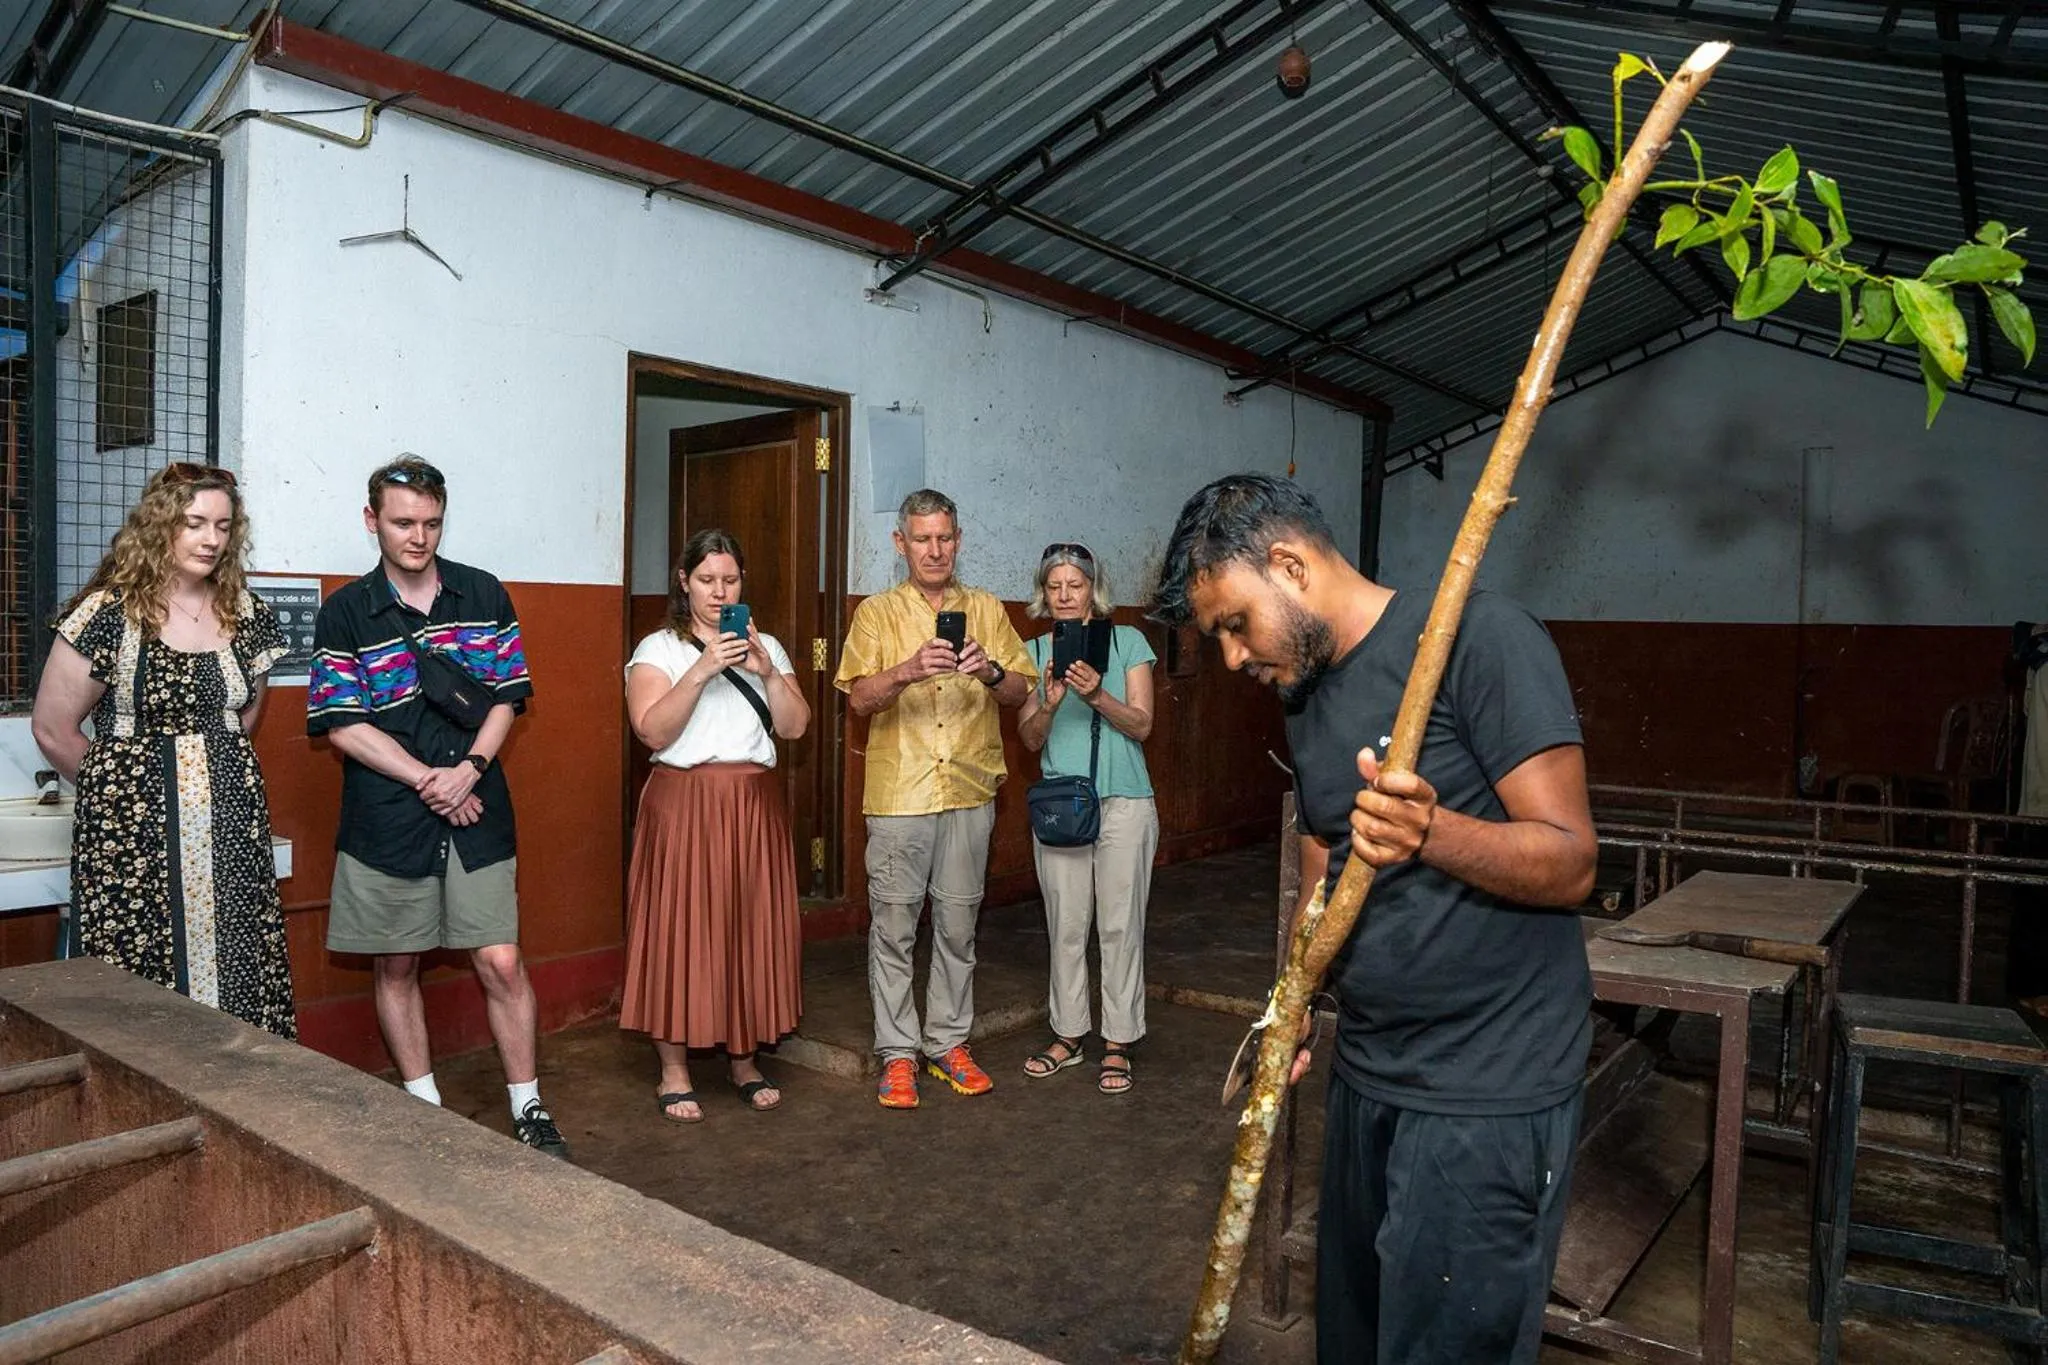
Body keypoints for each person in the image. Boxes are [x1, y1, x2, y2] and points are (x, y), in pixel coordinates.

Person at [1152, 473, 1596, 1365]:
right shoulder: (1305, 689)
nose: (1232, 658)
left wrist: (1431, 831)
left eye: (1235, 623)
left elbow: (1571, 860)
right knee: (1354, 1339)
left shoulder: (1478, 638)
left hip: (1486, 1088)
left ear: (1290, 565)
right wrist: (1294, 998)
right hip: (1369, 1070)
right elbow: (1322, 863)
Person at [307, 455, 567, 1159]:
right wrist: (432, 780)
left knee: (502, 960)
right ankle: (424, 1109)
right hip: (388, 815)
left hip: (479, 805)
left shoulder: (482, 593)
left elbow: (507, 698)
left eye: (431, 522)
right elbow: (342, 724)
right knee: (397, 964)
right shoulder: (346, 612)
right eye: (403, 523)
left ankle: (528, 1105)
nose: (418, 537)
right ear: (372, 521)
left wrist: (470, 770)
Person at [31, 462, 296, 1038]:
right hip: (132, 836)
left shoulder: (246, 613)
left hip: (230, 828)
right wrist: (121, 792)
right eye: (194, 523)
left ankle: (238, 1085)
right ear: (160, 525)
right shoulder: (108, 614)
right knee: (140, 970)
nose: (211, 539)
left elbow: (243, 718)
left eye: (223, 526)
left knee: (237, 958)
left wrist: (205, 777)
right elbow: (53, 728)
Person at [834, 488, 1035, 1109]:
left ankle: (948, 1043)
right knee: (894, 929)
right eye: (922, 539)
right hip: (900, 795)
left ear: (958, 540)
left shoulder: (987, 609)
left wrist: (989, 671)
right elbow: (857, 700)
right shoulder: (876, 614)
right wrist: (907, 670)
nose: (934, 549)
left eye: (944, 537)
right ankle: (898, 1054)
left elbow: (1021, 691)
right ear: (900, 544)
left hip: (969, 789)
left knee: (958, 925)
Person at [621, 529, 810, 1122]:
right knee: (677, 930)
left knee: (748, 928)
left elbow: (795, 727)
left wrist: (768, 672)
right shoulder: (659, 649)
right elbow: (652, 730)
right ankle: (674, 1070)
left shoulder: (766, 646)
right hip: (684, 803)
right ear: (685, 582)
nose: (719, 592)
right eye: (707, 580)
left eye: (730, 580)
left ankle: (744, 1060)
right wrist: (703, 668)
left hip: (752, 806)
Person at [1016, 542, 1157, 1095]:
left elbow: (1142, 725)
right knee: (1067, 924)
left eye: (1075, 585)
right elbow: (1030, 739)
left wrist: (1097, 694)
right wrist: (1051, 701)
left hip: (1125, 801)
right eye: (1054, 587)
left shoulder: (1128, 642)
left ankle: (1118, 1041)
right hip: (1063, 806)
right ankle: (1069, 1034)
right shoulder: (1033, 652)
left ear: (1093, 589)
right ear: (1043, 594)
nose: (1065, 595)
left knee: (1120, 925)